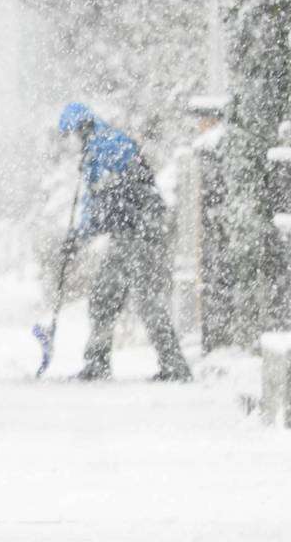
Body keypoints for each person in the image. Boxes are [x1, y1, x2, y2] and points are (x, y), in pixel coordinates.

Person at [58, 102, 192, 382]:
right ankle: (97, 362)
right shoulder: (94, 152)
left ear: (81, 128)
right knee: (104, 296)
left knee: (147, 299)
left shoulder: (109, 145)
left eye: (69, 135)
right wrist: (79, 236)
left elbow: (109, 199)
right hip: (126, 232)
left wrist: (83, 233)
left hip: (142, 230)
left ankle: (175, 367)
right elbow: (95, 202)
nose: (69, 143)